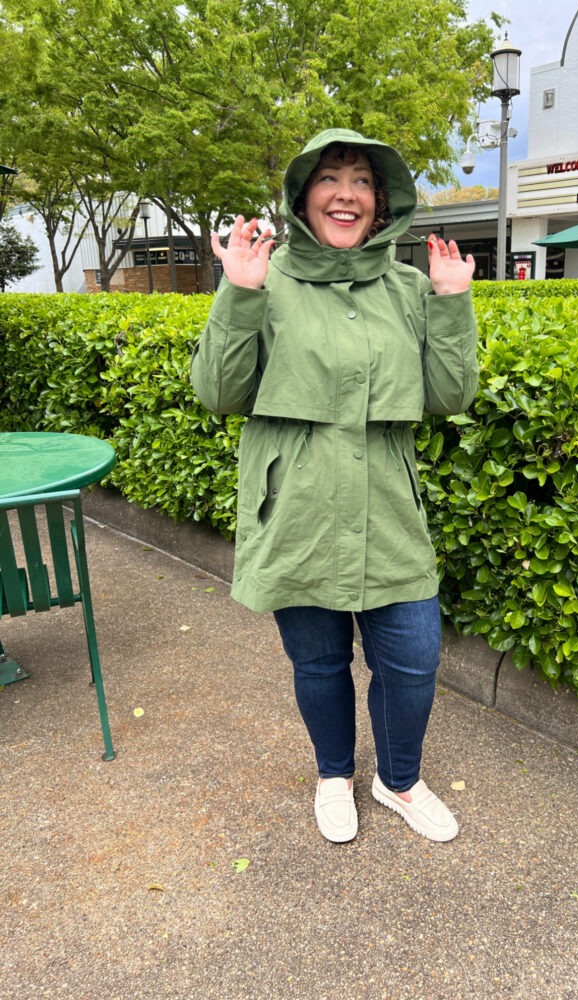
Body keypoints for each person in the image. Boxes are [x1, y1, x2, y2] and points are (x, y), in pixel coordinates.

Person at [191, 128, 478, 844]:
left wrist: (450, 302)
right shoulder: (266, 277)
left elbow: (450, 395)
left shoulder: (412, 289)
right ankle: (333, 774)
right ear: (302, 197)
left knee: (413, 660)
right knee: (318, 660)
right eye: (330, 178)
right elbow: (220, 394)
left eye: (361, 181)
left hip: (388, 509)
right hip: (298, 507)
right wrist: (240, 293)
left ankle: (399, 780)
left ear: (382, 204)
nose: (345, 193)